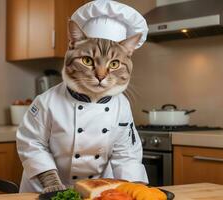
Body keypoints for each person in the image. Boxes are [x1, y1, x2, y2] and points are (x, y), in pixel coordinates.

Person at [16, 0, 149, 193]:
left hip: (96, 191)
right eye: (88, 60)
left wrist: (134, 191)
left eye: (113, 64)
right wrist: (52, 184)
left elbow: (127, 154)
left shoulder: (122, 105)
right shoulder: (47, 102)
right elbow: (32, 143)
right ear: (72, 46)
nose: (101, 75)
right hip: (45, 189)